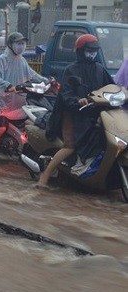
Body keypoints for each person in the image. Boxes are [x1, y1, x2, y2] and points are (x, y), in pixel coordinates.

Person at [39, 34, 113, 186]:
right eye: (88, 51)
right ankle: (44, 178)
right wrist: (77, 100)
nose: (92, 54)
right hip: (73, 114)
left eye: (94, 51)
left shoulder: (100, 69)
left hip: (94, 114)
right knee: (70, 146)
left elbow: (111, 86)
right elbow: (66, 93)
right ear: (80, 51)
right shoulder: (71, 70)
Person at [0, 32, 47, 162]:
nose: (21, 46)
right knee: (2, 128)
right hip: (5, 101)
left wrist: (46, 81)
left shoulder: (22, 60)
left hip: (19, 101)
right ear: (10, 44)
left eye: (23, 44)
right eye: (18, 43)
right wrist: (7, 85)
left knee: (28, 124)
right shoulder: (3, 59)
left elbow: (32, 74)